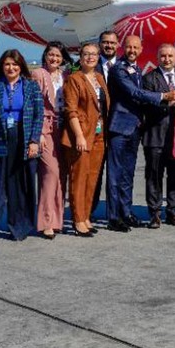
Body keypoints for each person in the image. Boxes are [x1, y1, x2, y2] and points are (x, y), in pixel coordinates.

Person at [107, 34, 175, 232]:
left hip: (135, 127)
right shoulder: (118, 70)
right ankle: (114, 217)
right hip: (120, 127)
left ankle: (126, 211)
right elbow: (135, 93)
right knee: (115, 174)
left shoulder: (137, 69)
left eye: (135, 48)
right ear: (123, 48)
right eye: (128, 47)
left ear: (140, 49)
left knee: (128, 175)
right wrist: (164, 96)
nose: (132, 51)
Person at [0, 49, 42, 243]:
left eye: (15, 64)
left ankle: (19, 227)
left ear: (21, 66)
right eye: (7, 64)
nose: (11, 68)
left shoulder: (31, 86)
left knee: (20, 186)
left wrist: (34, 141)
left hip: (23, 138)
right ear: (1, 66)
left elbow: (38, 115)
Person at [62, 41, 108, 236]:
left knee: (92, 178)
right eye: (86, 54)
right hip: (82, 134)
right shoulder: (74, 79)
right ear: (80, 58)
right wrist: (79, 136)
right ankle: (78, 219)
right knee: (79, 178)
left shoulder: (99, 77)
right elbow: (70, 110)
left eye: (94, 54)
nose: (90, 57)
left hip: (99, 135)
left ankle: (87, 216)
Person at [141, 44, 175, 227]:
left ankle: (173, 211)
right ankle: (154, 213)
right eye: (163, 56)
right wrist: (166, 103)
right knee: (154, 176)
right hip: (155, 135)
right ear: (158, 58)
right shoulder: (148, 78)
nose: (167, 59)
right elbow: (145, 104)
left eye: (170, 56)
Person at [32, 42, 71, 239]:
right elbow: (35, 103)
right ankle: (46, 220)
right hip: (45, 128)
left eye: (58, 55)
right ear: (45, 56)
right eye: (51, 55)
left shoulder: (66, 76)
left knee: (61, 175)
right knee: (50, 173)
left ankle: (57, 219)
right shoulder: (38, 74)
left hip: (63, 128)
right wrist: (37, 132)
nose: (54, 58)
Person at [92, 29, 121, 217]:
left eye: (112, 42)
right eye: (105, 42)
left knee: (117, 174)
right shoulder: (89, 67)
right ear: (99, 44)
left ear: (118, 45)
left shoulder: (128, 67)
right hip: (96, 127)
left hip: (120, 127)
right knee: (94, 172)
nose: (109, 46)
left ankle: (115, 214)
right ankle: (88, 212)